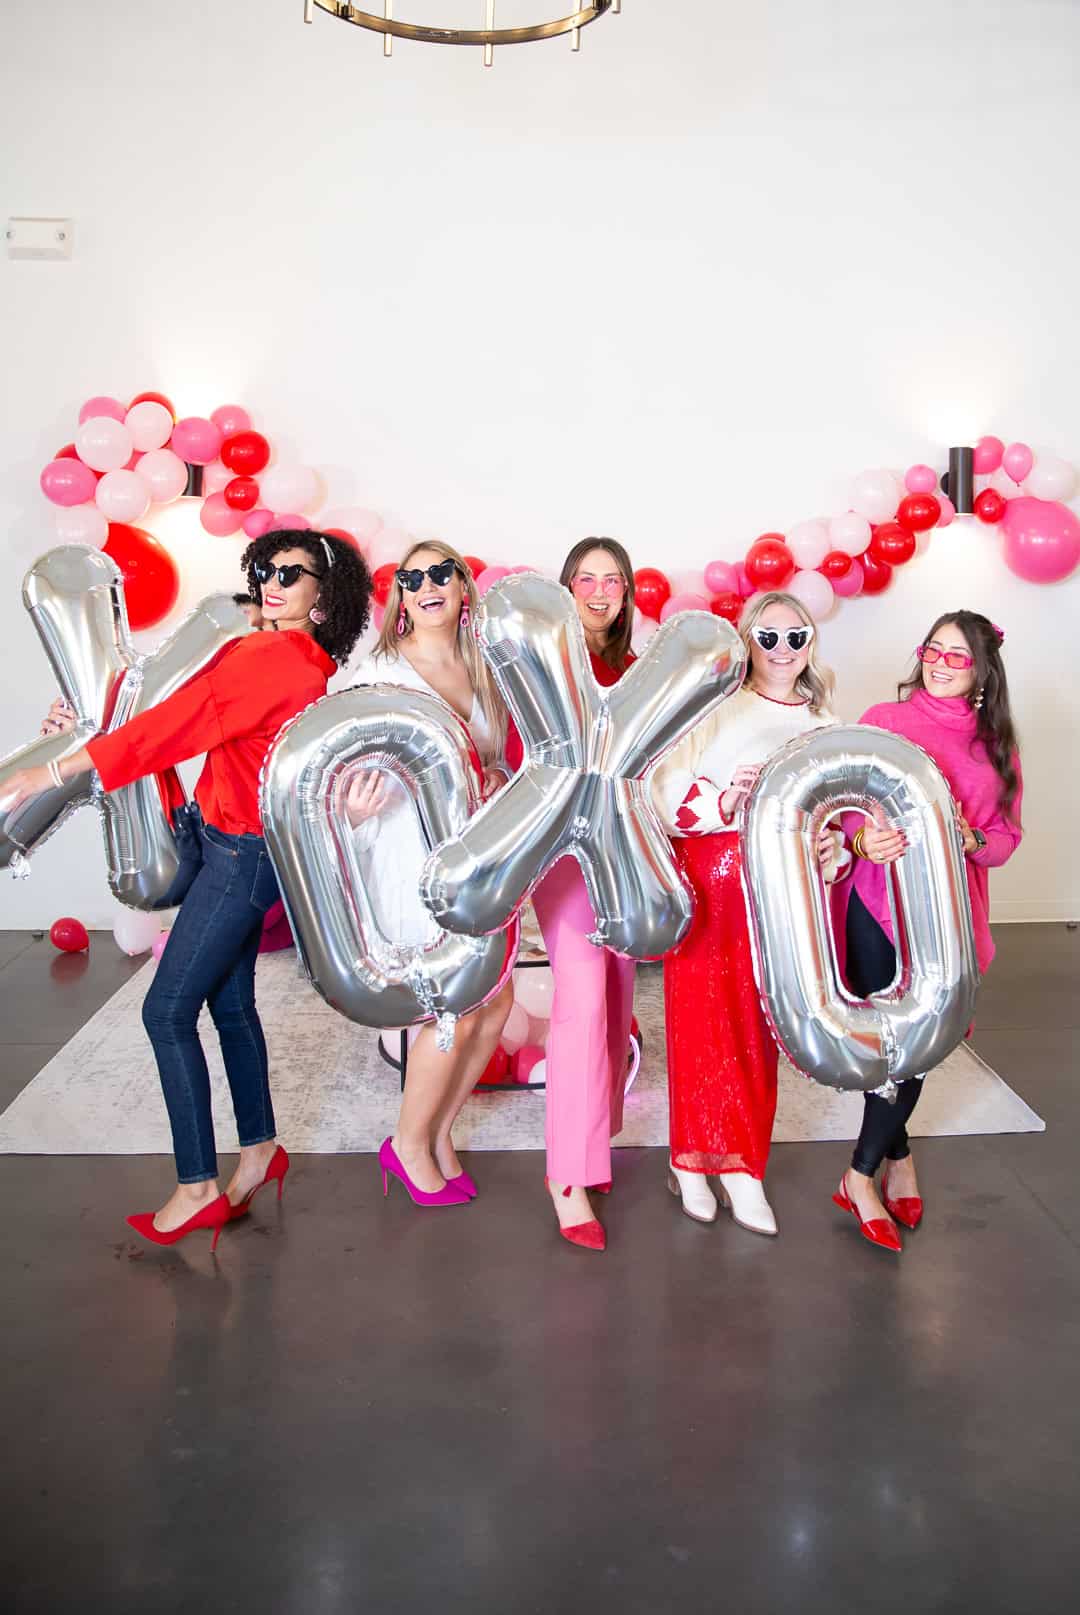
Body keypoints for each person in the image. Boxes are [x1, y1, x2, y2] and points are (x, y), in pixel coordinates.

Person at [6, 530, 372, 1247]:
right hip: (223, 839)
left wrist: (53, 770)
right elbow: (160, 702)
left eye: (290, 573)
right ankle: (261, 1148)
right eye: (263, 568)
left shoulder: (278, 658)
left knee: (166, 1010)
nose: (271, 582)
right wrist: (79, 722)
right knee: (230, 1004)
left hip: (242, 854)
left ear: (322, 594)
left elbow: (173, 725)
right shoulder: (283, 653)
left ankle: (197, 1182)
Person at [653, 591, 843, 1237]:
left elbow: (835, 817)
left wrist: (830, 847)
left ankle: (743, 1161)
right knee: (701, 1020)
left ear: (811, 644)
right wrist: (724, 801)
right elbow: (662, 787)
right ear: (747, 640)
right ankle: (692, 1158)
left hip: (782, 893)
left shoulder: (825, 719)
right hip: (711, 880)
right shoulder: (716, 705)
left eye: (797, 637)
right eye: (770, 637)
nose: (784, 651)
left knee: (759, 1025)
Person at [830, 611, 1022, 1251]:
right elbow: (837, 805)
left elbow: (1004, 840)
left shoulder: (995, 743)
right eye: (932, 649)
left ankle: (873, 1165)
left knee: (926, 1039)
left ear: (982, 672)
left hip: (949, 913)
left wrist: (971, 839)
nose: (939, 663)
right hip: (877, 901)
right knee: (890, 1039)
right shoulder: (884, 721)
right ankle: (878, 1168)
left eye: (957, 656)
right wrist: (861, 838)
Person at [345, 541, 513, 1207]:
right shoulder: (379, 670)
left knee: (493, 1000)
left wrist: (496, 774)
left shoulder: (484, 666)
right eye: (410, 577)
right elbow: (333, 771)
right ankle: (406, 1143)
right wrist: (353, 808)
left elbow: (494, 756)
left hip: (477, 855)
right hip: (406, 856)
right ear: (401, 598)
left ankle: (439, 1129)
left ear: (462, 585)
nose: (424, 584)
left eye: (439, 571)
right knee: (445, 1001)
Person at [505, 538, 638, 1252]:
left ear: (625, 592)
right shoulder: (541, 663)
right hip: (564, 852)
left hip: (625, 852)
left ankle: (596, 1141)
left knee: (617, 998)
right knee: (582, 1003)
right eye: (585, 578)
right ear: (565, 589)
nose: (597, 590)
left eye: (611, 579)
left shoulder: (636, 669)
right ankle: (567, 1175)